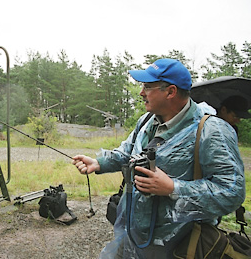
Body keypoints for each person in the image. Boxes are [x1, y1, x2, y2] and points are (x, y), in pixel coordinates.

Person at [72, 59, 246, 259]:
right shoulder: (146, 121)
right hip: (134, 234)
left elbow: (232, 191)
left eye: (147, 86)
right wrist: (99, 163)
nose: (141, 93)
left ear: (170, 92)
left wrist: (173, 188)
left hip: (179, 245)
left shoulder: (212, 130)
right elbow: (128, 153)